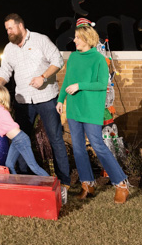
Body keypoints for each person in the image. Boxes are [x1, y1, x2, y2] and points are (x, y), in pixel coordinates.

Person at [56, 19, 131, 203]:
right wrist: (60, 100)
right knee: (79, 149)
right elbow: (67, 80)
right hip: (74, 108)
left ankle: (121, 184)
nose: (74, 41)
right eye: (75, 37)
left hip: (91, 110)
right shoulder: (73, 57)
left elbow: (101, 84)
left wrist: (79, 85)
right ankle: (87, 184)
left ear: (87, 38)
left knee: (98, 145)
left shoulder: (99, 58)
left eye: (77, 38)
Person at [0, 13, 71, 189]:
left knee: (55, 139)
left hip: (46, 98)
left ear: (20, 26)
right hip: (23, 101)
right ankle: (25, 178)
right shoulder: (9, 48)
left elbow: (58, 61)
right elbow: (5, 70)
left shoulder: (40, 40)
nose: (8, 32)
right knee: (21, 138)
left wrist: (43, 77)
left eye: (11, 28)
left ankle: (65, 181)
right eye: (6, 29)